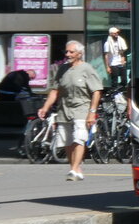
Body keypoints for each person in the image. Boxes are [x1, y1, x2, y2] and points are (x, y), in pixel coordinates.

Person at [38, 41, 103, 182]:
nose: (68, 54)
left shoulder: (87, 69)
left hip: (81, 107)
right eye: (66, 52)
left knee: (79, 137)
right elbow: (55, 90)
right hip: (64, 108)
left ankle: (74, 169)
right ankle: (75, 167)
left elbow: (96, 91)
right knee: (66, 140)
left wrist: (92, 112)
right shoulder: (62, 69)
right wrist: (45, 107)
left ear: (79, 54)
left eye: (71, 52)